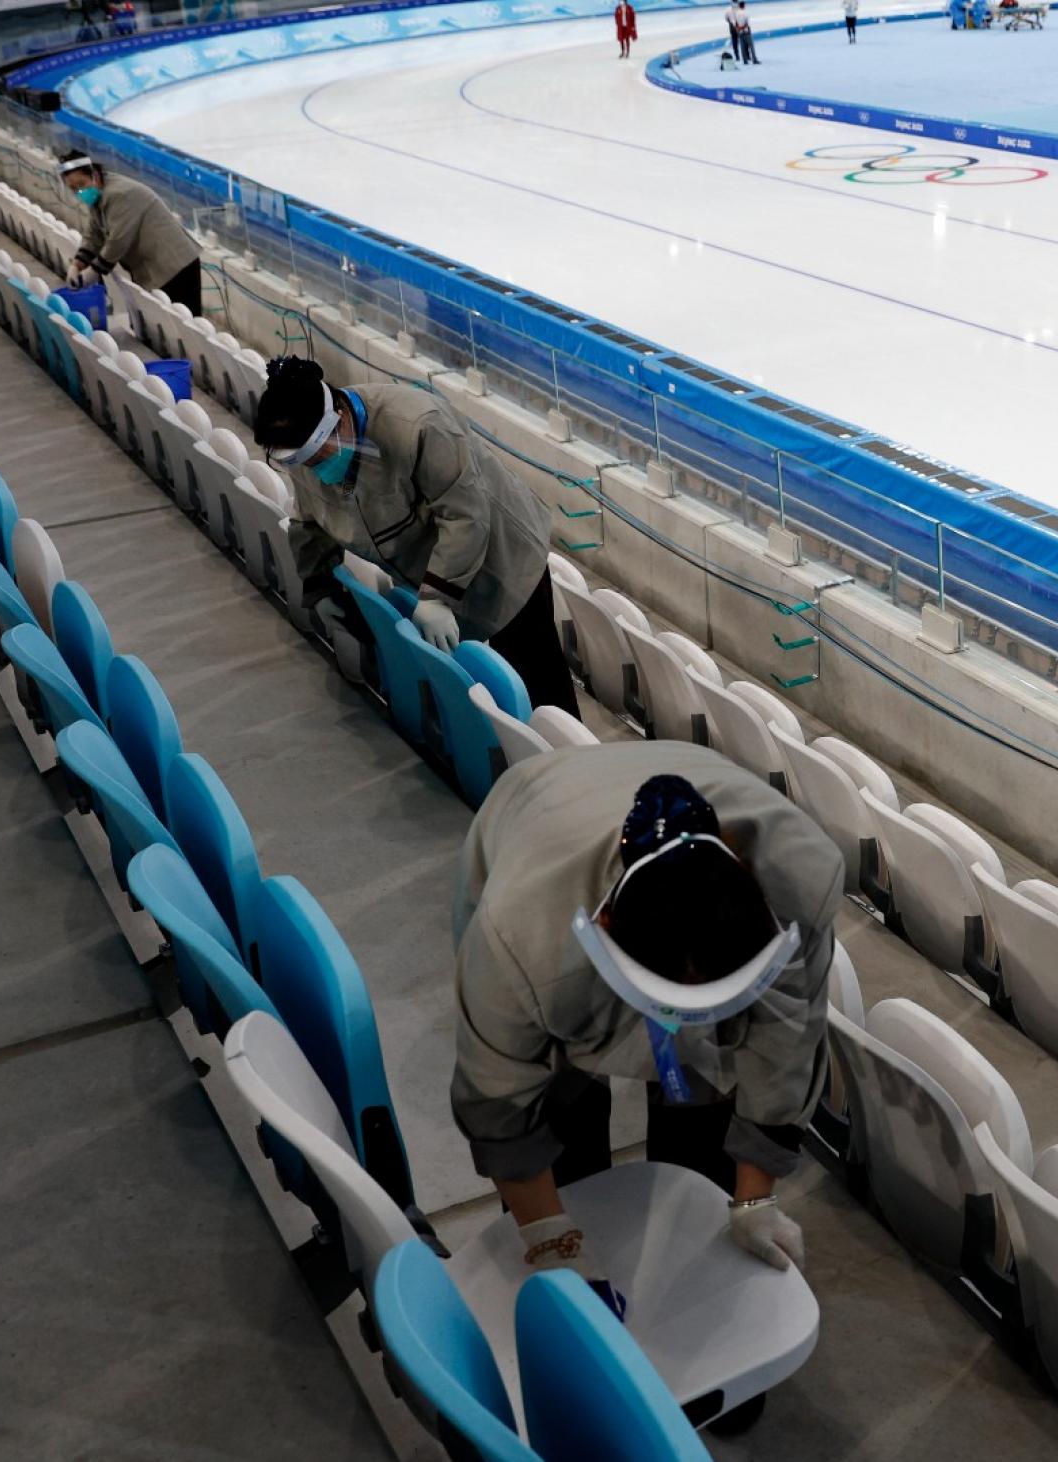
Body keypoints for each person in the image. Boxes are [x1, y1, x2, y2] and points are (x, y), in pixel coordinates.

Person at [450, 747, 841, 1305]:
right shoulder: (517, 939)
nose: (686, 1025)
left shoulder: (801, 884)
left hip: (680, 787)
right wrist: (550, 1238)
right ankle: (558, 1211)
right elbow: (498, 1105)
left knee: (704, 1103)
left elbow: (787, 1046)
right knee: (564, 1113)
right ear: (603, 927)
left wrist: (754, 1198)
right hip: (538, 810)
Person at [248, 358, 575, 718]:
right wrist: (318, 583)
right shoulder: (308, 451)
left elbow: (465, 514)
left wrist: (437, 595)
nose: (314, 470)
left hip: (504, 557)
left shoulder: (418, 425)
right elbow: (309, 519)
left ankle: (575, 766)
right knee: (483, 689)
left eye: (317, 455)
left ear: (339, 418)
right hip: (435, 568)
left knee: (539, 685)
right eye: (300, 462)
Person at [58, 151, 203, 318]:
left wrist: (94, 271)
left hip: (174, 265)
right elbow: (93, 235)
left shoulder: (119, 194)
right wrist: (76, 265)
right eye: (74, 189)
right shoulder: (98, 195)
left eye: (81, 185)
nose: (79, 192)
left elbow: (118, 241)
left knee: (184, 322)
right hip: (152, 268)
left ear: (94, 175)